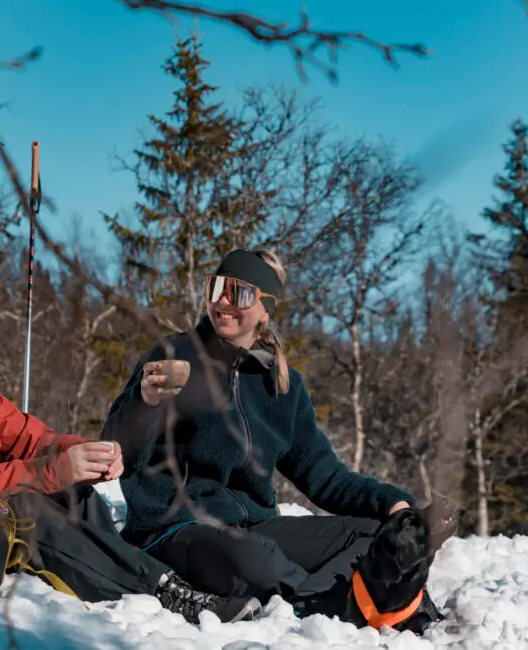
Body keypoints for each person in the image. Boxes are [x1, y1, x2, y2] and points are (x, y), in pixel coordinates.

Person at [0, 257, 261, 624]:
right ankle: (160, 594)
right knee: (29, 504)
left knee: (69, 490)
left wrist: (81, 453)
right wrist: (54, 470)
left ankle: (150, 578)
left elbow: (29, 436)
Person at [100, 248, 423, 619]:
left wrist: (395, 504)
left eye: (238, 293)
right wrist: (145, 402)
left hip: (256, 528)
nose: (221, 301)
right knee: (256, 558)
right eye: (215, 287)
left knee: (369, 534)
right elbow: (118, 451)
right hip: (175, 529)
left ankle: (331, 599)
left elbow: (325, 477)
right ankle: (338, 600)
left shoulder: (281, 385)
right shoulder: (175, 355)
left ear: (265, 308)